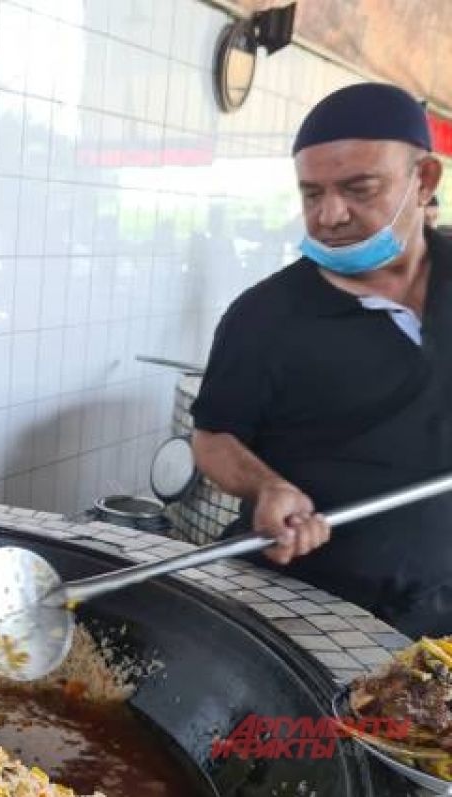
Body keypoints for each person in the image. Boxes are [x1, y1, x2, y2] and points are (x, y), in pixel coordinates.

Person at [191, 82, 452, 638]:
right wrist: (266, 488)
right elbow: (213, 438)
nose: (330, 215)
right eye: (312, 194)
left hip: (438, 612)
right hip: (302, 610)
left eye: (359, 188)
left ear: (423, 180)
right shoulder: (266, 316)